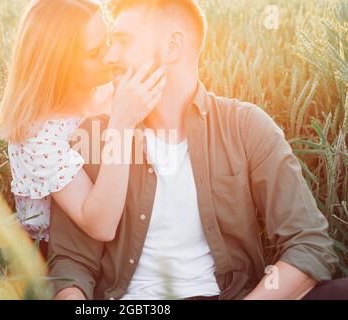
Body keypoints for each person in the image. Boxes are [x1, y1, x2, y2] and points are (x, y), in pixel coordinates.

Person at [48, 0, 346, 300]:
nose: (110, 56)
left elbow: (309, 244)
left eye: (123, 41)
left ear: (172, 46)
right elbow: (71, 265)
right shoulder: (93, 136)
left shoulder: (246, 126)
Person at [0, 0, 167, 245]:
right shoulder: (38, 135)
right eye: (94, 53)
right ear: (58, 65)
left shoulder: (110, 91)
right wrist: (121, 124)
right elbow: (101, 226)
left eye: (109, 40)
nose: (110, 55)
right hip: (59, 262)